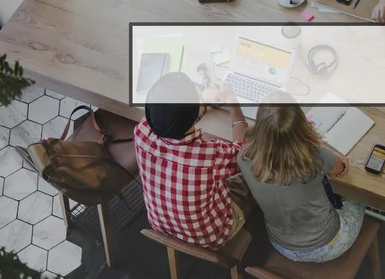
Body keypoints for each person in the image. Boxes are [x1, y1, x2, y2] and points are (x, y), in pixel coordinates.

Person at [236, 92, 366, 262]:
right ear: (301, 125)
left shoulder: (244, 157)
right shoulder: (315, 156)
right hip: (328, 245)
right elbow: (339, 170)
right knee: (360, 198)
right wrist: (326, 151)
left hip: (279, 243)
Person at [133, 73, 249, 250]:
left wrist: (202, 102)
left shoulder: (140, 132)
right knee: (249, 176)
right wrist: (233, 103)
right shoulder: (209, 155)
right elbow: (242, 150)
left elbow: (170, 121)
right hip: (211, 236)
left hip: (160, 225)